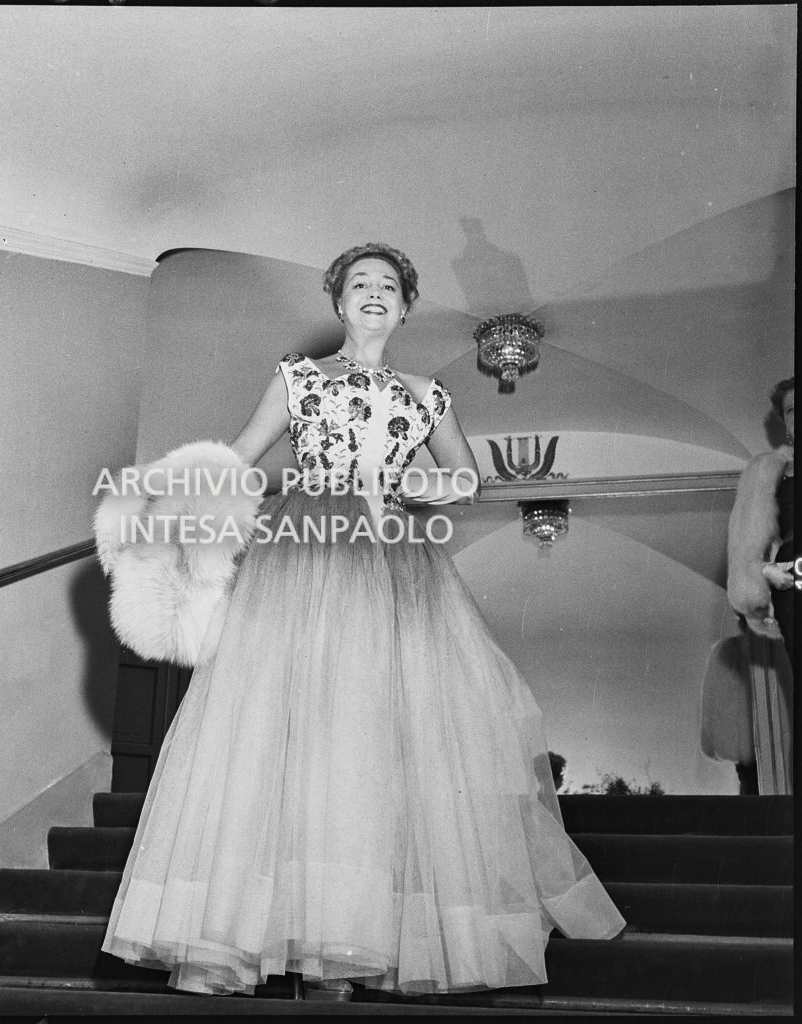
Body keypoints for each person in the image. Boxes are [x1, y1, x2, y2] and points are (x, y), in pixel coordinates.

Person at [95, 243, 625, 1002]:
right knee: (299, 731)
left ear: (405, 307)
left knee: (381, 735)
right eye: (358, 285)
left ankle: (353, 938)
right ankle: (291, 935)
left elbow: (466, 477)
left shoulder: (427, 393)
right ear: (338, 303)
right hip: (305, 556)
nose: (373, 294)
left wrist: (418, 484)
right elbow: (242, 455)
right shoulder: (299, 378)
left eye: (388, 286)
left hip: (398, 561)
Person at [727, 377, 794, 670]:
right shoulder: (766, 472)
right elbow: (746, 551)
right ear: (786, 423)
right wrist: (765, 572)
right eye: (792, 410)